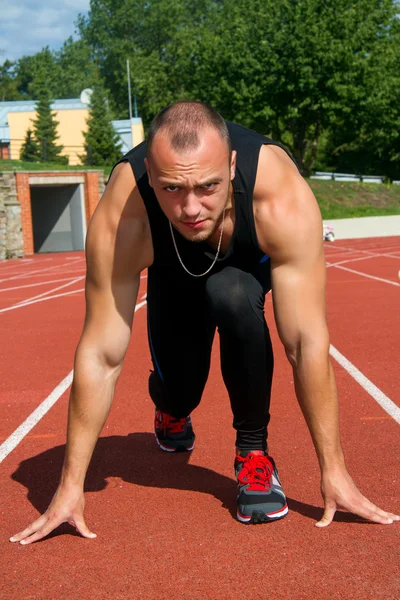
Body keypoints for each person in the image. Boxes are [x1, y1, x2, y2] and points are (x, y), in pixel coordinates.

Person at [10, 101, 399, 544]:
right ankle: (171, 410)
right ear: (150, 177)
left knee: (233, 296)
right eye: (172, 188)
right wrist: (69, 487)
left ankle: (253, 454)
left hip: (242, 272)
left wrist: (336, 471)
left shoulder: (279, 196)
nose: (191, 208)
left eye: (209, 186)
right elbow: (101, 353)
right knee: (182, 391)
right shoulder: (124, 213)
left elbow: (306, 341)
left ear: (232, 166)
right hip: (172, 275)